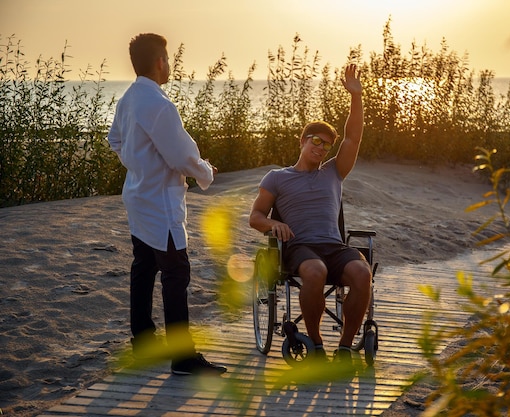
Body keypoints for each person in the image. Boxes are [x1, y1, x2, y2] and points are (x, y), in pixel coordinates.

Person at [108, 33, 226, 376]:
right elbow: (181, 156)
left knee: (144, 265)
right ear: (160, 61)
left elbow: (115, 139)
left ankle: (144, 341)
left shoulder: (128, 99)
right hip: (160, 203)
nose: (170, 64)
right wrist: (206, 171)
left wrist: (138, 163)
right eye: (168, 58)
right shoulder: (159, 104)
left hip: (138, 195)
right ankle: (183, 357)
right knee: (176, 272)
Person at [249, 64, 370, 364]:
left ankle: (343, 347)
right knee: (315, 271)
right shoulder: (277, 177)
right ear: (301, 141)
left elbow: (352, 138)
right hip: (300, 248)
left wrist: (357, 96)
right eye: (315, 141)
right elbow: (255, 216)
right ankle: (315, 344)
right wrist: (274, 223)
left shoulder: (333, 172)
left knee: (362, 272)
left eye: (326, 145)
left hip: (333, 246)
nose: (321, 148)